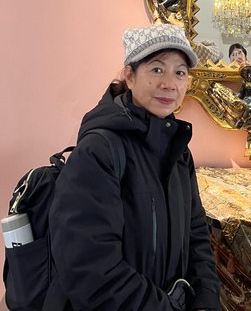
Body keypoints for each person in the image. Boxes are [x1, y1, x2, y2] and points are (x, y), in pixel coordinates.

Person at [46, 24, 221, 311]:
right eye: (157, 69)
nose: (170, 84)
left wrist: (205, 301)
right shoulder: (99, 151)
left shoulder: (178, 150)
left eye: (179, 72)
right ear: (129, 76)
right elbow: (91, 268)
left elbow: (196, 233)